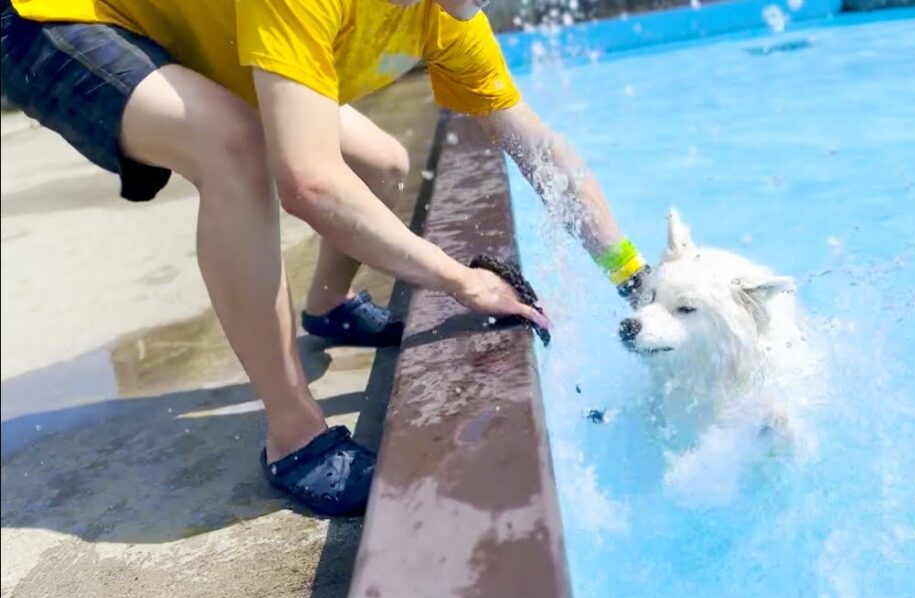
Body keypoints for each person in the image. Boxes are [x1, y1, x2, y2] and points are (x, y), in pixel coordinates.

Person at [0, 0, 649, 516]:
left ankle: (329, 306)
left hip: (180, 29)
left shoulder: (448, 15)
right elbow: (306, 185)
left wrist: (631, 274)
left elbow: (535, 145)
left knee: (382, 165)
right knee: (236, 149)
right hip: (54, 16)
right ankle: (292, 434)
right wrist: (460, 281)